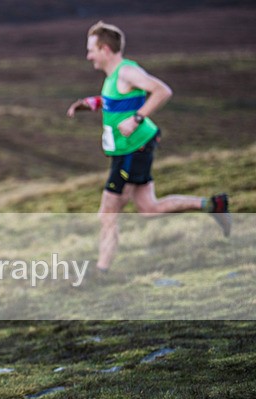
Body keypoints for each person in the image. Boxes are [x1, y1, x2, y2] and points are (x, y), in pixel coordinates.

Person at [67, 21, 232, 273]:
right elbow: (117, 101)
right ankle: (212, 205)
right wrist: (90, 103)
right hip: (131, 149)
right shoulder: (114, 77)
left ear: (104, 49)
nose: (88, 55)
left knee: (108, 212)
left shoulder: (126, 72)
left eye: (91, 49)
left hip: (133, 150)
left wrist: (136, 119)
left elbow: (162, 91)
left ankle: (100, 271)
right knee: (148, 208)